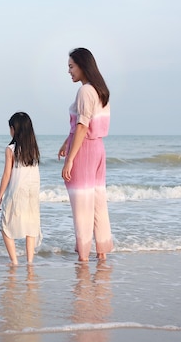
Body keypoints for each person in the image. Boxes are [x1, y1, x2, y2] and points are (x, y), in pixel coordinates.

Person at [58, 47, 113, 262]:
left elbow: (82, 126)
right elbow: (87, 123)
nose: (69, 71)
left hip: (84, 151)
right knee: (98, 202)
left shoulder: (84, 91)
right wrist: (66, 142)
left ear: (82, 66)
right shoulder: (100, 90)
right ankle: (101, 253)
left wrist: (69, 160)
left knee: (82, 206)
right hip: (98, 149)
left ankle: (83, 258)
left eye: (71, 67)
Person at [0, 112, 42, 265]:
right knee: (31, 225)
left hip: (17, 191)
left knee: (5, 225)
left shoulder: (11, 149)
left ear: (14, 129)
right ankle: (29, 262)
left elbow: (7, 174)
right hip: (33, 191)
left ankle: (14, 261)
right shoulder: (33, 149)